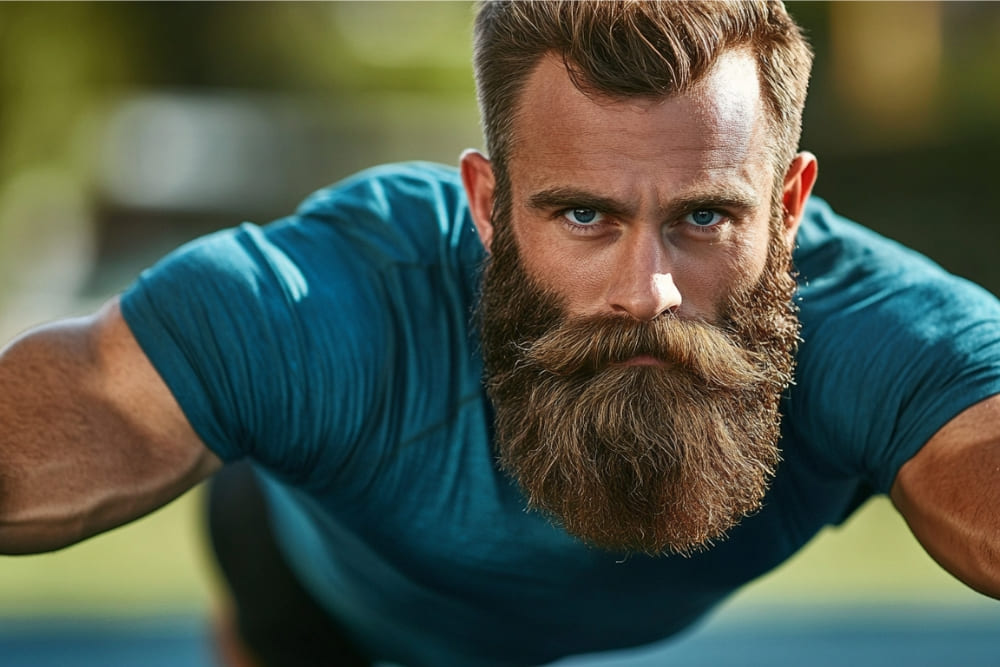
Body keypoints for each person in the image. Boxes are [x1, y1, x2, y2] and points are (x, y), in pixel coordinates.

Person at [1, 1, 998, 665]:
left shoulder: (875, 331)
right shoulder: (333, 306)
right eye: (583, 216)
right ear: (486, 204)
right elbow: (90, 396)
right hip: (314, 587)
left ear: (786, 206)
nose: (646, 292)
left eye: (704, 217)